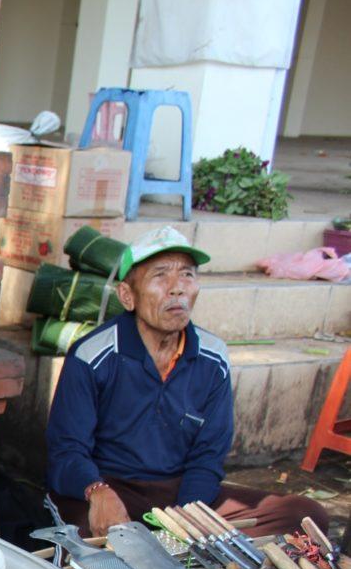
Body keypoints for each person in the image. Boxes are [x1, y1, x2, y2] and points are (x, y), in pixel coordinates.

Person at [47, 226, 329, 539]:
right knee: (93, 538)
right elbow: (66, 453)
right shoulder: (92, 355)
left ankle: (177, 548)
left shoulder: (213, 358)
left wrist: (183, 519)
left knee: (305, 517)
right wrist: (97, 490)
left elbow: (208, 455)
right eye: (160, 275)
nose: (177, 289)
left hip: (182, 494)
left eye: (187, 275)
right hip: (113, 489)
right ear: (127, 295)